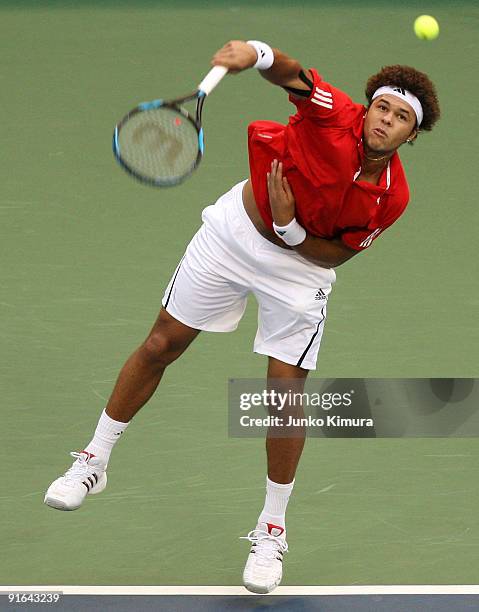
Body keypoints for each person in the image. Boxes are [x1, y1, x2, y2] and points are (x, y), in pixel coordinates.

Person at [44, 40, 440, 593]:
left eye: (400, 118)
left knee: (283, 395)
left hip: (300, 271)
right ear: (368, 106)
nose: (385, 121)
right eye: (382, 108)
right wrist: (255, 53)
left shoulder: (392, 197)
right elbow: (295, 76)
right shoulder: (334, 113)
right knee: (162, 344)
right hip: (233, 236)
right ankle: (94, 459)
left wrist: (290, 228)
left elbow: (338, 253)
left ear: (410, 135)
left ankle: (271, 528)